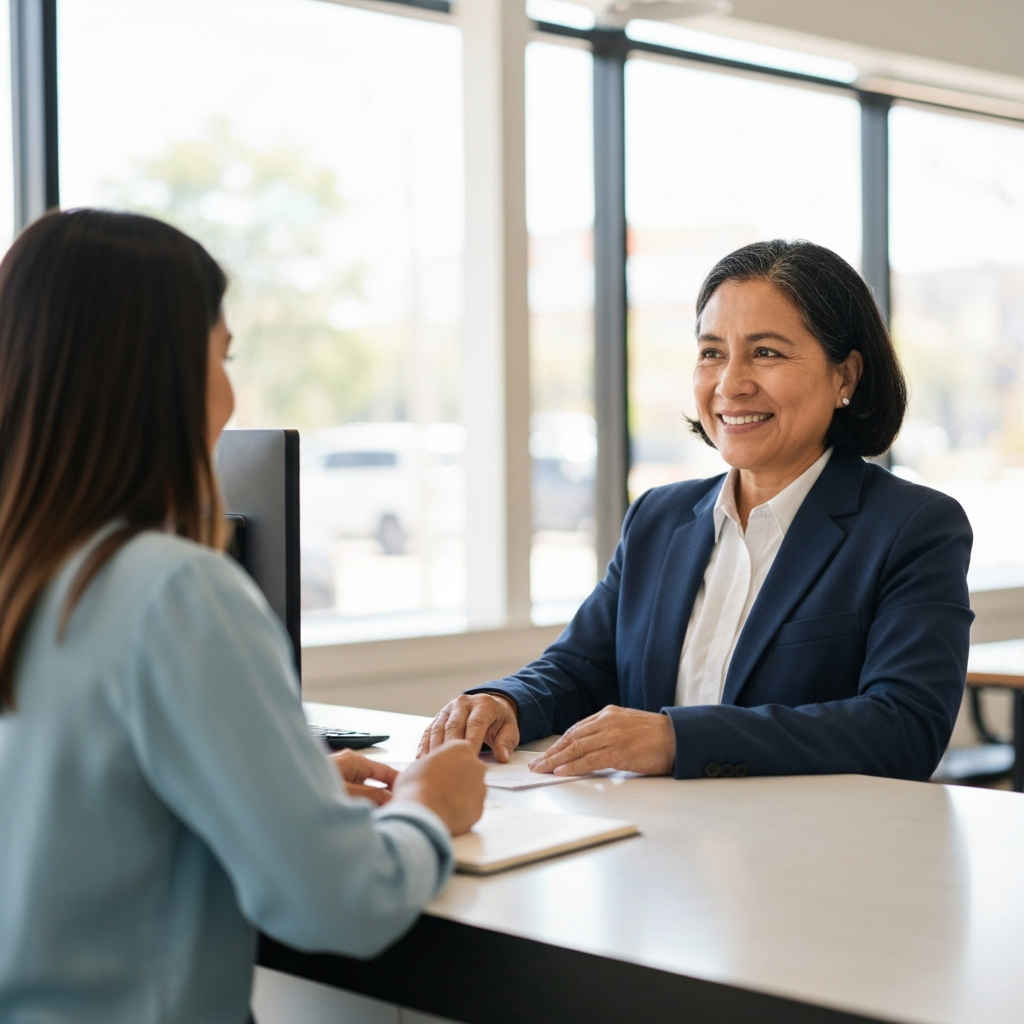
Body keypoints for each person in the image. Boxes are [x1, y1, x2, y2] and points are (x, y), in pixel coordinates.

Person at [0, 209, 486, 1024]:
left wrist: (278, 796)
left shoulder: (29, 576)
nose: (229, 393)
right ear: (161, 378)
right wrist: (430, 804)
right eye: (220, 357)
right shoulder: (177, 593)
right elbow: (342, 904)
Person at [420, 239, 974, 782]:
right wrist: (505, 701)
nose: (731, 383)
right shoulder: (658, 518)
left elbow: (904, 728)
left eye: (767, 352)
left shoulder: (914, 528)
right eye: (712, 353)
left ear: (845, 377)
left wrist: (677, 739)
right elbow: (582, 667)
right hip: (653, 849)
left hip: (812, 859)